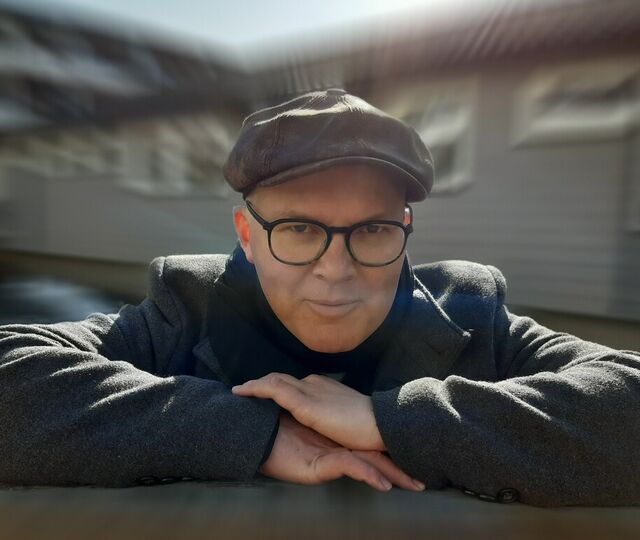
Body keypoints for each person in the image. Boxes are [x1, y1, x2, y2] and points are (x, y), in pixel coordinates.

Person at [0, 89, 639, 507]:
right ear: (246, 235)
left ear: (405, 229)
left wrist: (391, 420)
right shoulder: (183, 309)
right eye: (300, 229)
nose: (336, 270)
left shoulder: (471, 313)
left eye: (373, 230)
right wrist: (252, 432)